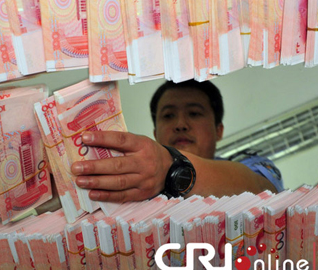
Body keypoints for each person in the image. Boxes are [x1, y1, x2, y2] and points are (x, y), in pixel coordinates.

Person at [70, 80, 284, 203]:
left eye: (194, 113)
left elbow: (264, 192)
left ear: (219, 130)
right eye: (168, 116)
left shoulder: (255, 167)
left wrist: (171, 167)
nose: (180, 124)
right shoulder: (132, 185)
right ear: (155, 133)